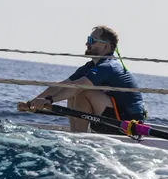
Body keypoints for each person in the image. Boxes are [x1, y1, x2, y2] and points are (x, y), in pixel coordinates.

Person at [18, 26, 146, 133]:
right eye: (88, 40)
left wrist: (49, 100)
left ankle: (79, 135)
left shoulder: (109, 66)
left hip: (127, 123)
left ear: (106, 46)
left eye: (92, 40)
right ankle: (76, 132)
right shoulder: (90, 67)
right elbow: (60, 86)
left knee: (80, 89)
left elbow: (76, 88)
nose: (87, 43)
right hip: (109, 116)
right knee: (72, 87)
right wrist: (32, 103)